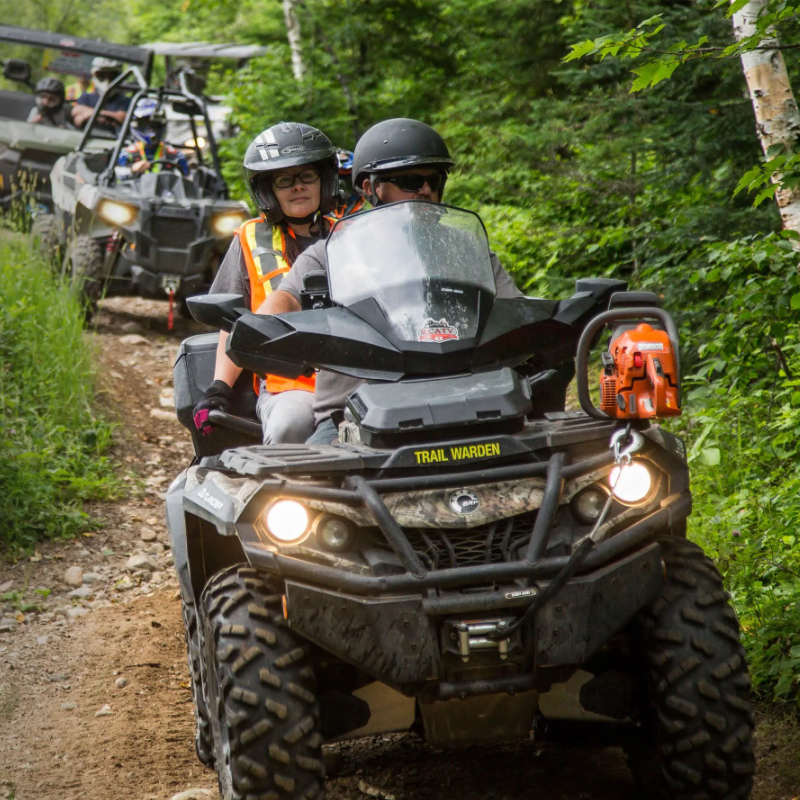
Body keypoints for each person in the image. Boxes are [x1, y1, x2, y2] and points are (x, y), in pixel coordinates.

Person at [255, 117, 524, 445]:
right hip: (351, 411)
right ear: (369, 188)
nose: (424, 190)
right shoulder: (333, 253)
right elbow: (280, 304)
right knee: (300, 481)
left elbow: (517, 308)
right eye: (410, 180)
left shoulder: (463, 247)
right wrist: (270, 330)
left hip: (466, 397)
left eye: (433, 180)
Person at [191, 122, 341, 445]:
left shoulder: (351, 234)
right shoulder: (250, 238)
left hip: (356, 377)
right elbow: (231, 320)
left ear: (325, 180)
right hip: (291, 384)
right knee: (291, 425)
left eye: (307, 176)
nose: (297, 187)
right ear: (268, 191)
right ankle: (281, 495)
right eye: (284, 179)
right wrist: (219, 387)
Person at [116, 98, 189, 179]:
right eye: (146, 124)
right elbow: (116, 179)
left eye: (155, 124)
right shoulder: (126, 153)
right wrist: (132, 169)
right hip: (133, 190)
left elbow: (187, 180)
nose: (151, 129)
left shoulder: (175, 155)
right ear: (137, 124)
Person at [71, 58, 130, 131]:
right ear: (94, 74)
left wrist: (91, 113)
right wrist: (112, 115)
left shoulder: (125, 101)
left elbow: (123, 118)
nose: (107, 80)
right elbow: (77, 117)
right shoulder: (86, 97)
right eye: (102, 75)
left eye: (113, 76)